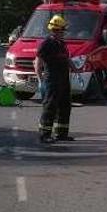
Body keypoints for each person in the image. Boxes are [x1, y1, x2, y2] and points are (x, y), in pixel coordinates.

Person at [35, 14, 76, 144]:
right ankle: (45, 134)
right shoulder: (46, 43)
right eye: (63, 30)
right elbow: (37, 62)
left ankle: (61, 134)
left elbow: (67, 58)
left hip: (63, 79)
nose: (64, 32)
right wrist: (40, 79)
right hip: (52, 79)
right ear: (56, 30)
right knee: (50, 106)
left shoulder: (61, 43)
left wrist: (75, 68)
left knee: (65, 106)